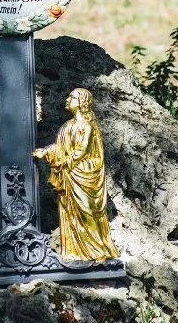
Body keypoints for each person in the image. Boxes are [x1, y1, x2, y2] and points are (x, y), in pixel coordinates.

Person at [33, 88, 118, 263]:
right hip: (69, 175)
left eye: (72, 97)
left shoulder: (86, 126)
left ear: (82, 102)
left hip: (83, 174)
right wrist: (46, 151)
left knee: (86, 211)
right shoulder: (67, 126)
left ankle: (97, 249)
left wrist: (61, 161)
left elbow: (82, 150)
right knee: (70, 212)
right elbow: (60, 147)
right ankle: (75, 250)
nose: (67, 99)